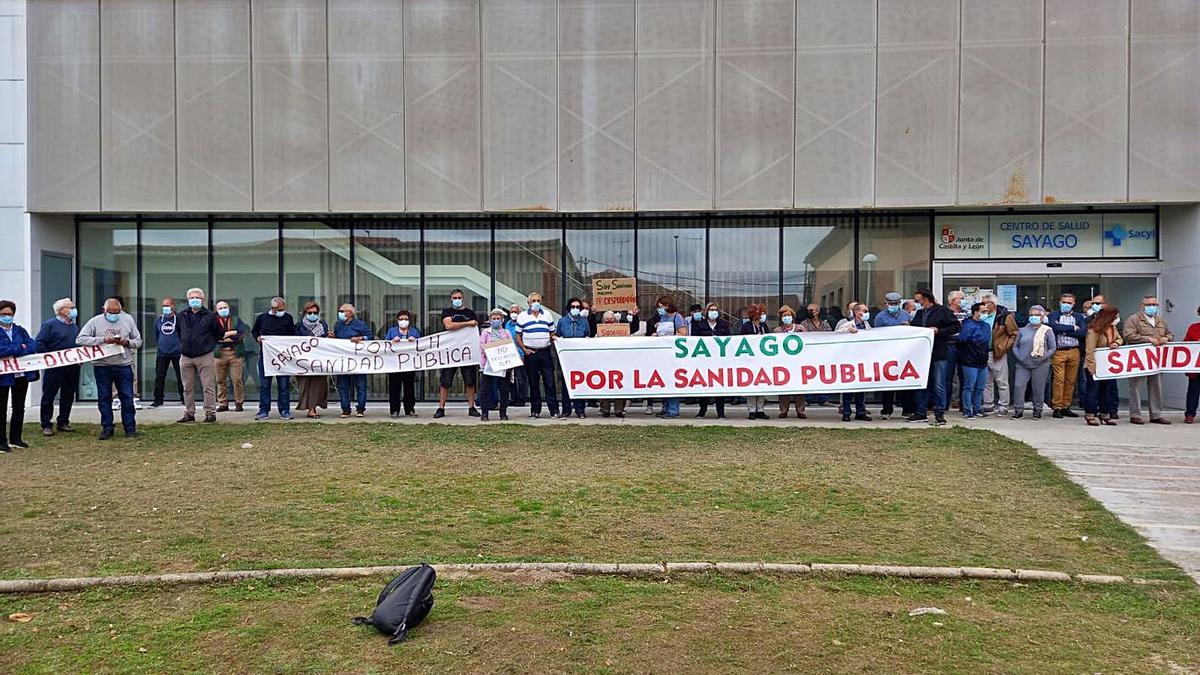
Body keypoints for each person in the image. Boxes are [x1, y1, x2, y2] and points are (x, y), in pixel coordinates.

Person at [76, 297, 142, 439]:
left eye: (117, 312)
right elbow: (80, 339)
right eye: (111, 312)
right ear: (104, 310)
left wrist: (127, 342)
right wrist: (102, 340)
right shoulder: (95, 322)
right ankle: (107, 427)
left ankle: (130, 428)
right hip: (102, 366)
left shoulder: (128, 320)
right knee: (104, 398)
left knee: (127, 397)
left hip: (123, 365)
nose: (114, 315)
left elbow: (138, 341)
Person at [909, 289, 960, 425]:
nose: (918, 303)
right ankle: (920, 412)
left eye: (919, 300)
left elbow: (956, 326)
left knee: (939, 384)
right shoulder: (920, 313)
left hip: (938, 352)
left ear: (926, 299)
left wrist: (939, 331)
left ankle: (939, 413)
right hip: (923, 354)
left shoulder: (942, 311)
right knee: (922, 383)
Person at [1123, 295, 1172, 425]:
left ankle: (1156, 414)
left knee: (1156, 386)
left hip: (1156, 360)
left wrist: (1166, 338)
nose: (1152, 307)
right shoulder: (1134, 319)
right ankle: (1135, 415)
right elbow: (1128, 335)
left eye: (1154, 305)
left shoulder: (1160, 320)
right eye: (1149, 304)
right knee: (1135, 387)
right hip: (1138, 359)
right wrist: (1148, 339)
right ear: (1142, 306)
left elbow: (1170, 333)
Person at [177, 287, 225, 424]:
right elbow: (178, 332)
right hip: (186, 355)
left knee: (208, 386)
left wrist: (208, 344)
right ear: (188, 300)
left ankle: (210, 413)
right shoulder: (182, 315)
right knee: (187, 386)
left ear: (202, 300)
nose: (194, 300)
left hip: (205, 355)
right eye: (192, 298)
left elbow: (219, 333)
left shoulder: (210, 316)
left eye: (197, 298)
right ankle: (189, 413)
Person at [35, 297, 80, 437]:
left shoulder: (74, 326)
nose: (73, 310)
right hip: (55, 367)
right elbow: (40, 343)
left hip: (72, 366)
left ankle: (63, 421)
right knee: (49, 395)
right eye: (70, 307)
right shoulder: (50, 325)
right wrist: (49, 358)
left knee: (68, 394)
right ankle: (46, 424)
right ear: (61, 310)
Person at [435, 289, 480, 419]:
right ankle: (441, 408)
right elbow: (448, 325)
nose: (457, 299)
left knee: (470, 381)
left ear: (463, 298)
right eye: (454, 297)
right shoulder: (447, 312)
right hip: (451, 352)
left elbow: (475, 327)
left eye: (459, 297)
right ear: (451, 299)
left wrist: (470, 323)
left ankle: (472, 407)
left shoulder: (470, 313)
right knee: (445, 381)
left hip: (466, 353)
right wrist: (467, 323)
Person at [0, 300, 38, 451]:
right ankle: (1, 441)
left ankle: (16, 438)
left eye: (9, 314)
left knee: (19, 407)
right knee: (1, 408)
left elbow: (32, 345)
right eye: (3, 314)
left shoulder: (20, 330)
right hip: (3, 376)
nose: (7, 317)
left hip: (21, 374)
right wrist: (19, 348)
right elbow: (2, 350)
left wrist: (16, 349)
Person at [516, 292, 558, 419]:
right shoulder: (522, 316)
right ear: (528, 303)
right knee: (533, 383)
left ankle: (554, 411)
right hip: (531, 353)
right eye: (533, 301)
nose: (536, 303)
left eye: (538, 300)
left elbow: (552, 332)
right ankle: (535, 410)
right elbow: (518, 335)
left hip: (545, 352)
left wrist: (553, 339)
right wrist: (524, 349)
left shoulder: (547, 314)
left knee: (550, 382)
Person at [251, 296, 294, 421]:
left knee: (284, 385)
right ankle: (264, 410)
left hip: (282, 357)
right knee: (265, 385)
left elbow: (292, 335)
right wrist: (258, 338)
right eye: (278, 309)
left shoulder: (288, 318)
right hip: (266, 356)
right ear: (273, 308)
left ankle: (285, 410)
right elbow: (255, 331)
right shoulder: (262, 318)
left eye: (282, 309)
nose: (281, 311)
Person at [1011, 305, 1056, 420]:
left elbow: (1052, 348)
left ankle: (1037, 410)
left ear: (1042, 316)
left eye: (1036, 315)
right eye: (1031, 315)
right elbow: (1015, 346)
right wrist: (1020, 357)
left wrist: (1043, 358)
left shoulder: (1047, 330)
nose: (1033, 317)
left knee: (1038, 388)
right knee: (1019, 386)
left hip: (1040, 364)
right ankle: (1018, 410)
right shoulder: (1023, 330)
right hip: (1022, 364)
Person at [1047, 293, 1087, 418]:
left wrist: (1065, 332)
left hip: (1074, 351)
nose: (1066, 305)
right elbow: (1054, 327)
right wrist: (1072, 328)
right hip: (1059, 351)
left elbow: (1082, 332)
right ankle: (1057, 407)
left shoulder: (1078, 316)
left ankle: (1066, 406)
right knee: (1059, 380)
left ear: (1074, 304)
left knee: (1070, 381)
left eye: (1069, 302)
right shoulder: (1054, 315)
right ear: (1060, 303)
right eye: (1064, 302)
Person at [873, 292, 911, 420]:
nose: (893, 305)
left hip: (905, 353)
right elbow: (877, 335)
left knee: (906, 381)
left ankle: (907, 409)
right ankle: (887, 410)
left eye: (896, 303)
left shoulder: (906, 315)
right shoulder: (880, 317)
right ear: (886, 303)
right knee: (888, 383)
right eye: (891, 304)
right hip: (888, 353)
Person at [980, 292, 1018, 417]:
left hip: (998, 352)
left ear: (994, 304)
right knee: (986, 381)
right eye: (983, 303)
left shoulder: (1004, 316)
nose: (984, 306)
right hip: (983, 352)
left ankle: (1003, 406)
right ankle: (988, 405)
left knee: (1002, 381)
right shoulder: (981, 315)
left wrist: (1005, 347)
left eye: (987, 303)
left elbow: (1014, 333)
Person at [1083, 306, 1122, 426]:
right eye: (1114, 317)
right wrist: (1091, 366)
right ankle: (1090, 414)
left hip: (1107, 365)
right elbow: (1089, 350)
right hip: (1094, 364)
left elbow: (1120, 339)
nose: (1116, 319)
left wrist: (1115, 343)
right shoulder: (1094, 331)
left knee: (1107, 390)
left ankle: (1104, 413)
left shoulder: (1113, 328)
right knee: (1093, 390)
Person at [693, 302, 732, 419]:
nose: (713, 312)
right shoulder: (700, 324)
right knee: (703, 388)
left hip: (719, 361)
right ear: (707, 311)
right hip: (704, 361)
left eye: (715, 309)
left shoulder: (724, 324)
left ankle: (721, 413)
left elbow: (729, 340)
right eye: (711, 310)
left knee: (719, 388)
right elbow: (693, 340)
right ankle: (702, 410)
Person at [334, 303, 373, 418]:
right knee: (343, 386)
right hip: (342, 360)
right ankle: (345, 409)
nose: (340, 313)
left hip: (358, 360)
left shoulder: (360, 324)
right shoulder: (338, 325)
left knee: (360, 385)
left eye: (342, 311)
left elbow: (370, 336)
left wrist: (360, 338)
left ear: (350, 313)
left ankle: (360, 409)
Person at [835, 303, 872, 422]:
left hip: (863, 360)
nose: (866, 313)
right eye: (864, 311)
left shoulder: (868, 326)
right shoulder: (846, 325)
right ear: (857, 313)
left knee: (861, 388)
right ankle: (846, 412)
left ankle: (861, 411)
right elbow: (835, 337)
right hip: (849, 360)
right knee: (849, 388)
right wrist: (847, 332)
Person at [556, 297, 591, 419]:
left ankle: (580, 410)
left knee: (579, 383)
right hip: (566, 358)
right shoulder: (562, 321)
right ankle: (566, 410)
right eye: (573, 307)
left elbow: (587, 335)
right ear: (568, 308)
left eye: (578, 307)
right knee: (566, 384)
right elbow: (558, 335)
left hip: (580, 358)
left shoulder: (584, 322)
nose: (575, 309)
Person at [655, 296, 689, 419]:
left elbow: (683, 333)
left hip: (673, 354)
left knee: (672, 381)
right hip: (663, 354)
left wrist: (669, 338)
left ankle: (673, 409)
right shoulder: (663, 318)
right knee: (664, 381)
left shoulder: (677, 317)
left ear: (667, 305)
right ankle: (665, 407)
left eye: (661, 306)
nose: (659, 309)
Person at [957, 303, 992, 419]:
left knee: (980, 387)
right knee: (969, 386)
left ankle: (977, 408)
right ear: (976, 312)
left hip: (982, 361)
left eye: (986, 311)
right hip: (969, 360)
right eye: (983, 311)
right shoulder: (968, 326)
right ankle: (967, 409)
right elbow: (961, 342)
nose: (985, 313)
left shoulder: (986, 326)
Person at [212, 300, 248, 413]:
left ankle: (239, 402)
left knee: (237, 379)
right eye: (220, 308)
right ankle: (223, 403)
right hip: (219, 353)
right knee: (220, 380)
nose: (223, 310)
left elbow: (242, 333)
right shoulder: (213, 321)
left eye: (225, 307)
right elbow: (212, 335)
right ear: (216, 310)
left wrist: (228, 336)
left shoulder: (236, 319)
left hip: (235, 353)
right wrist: (231, 332)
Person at [295, 302, 330, 419]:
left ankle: (312, 409)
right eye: (310, 313)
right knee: (305, 384)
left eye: (315, 313)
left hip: (319, 360)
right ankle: (307, 406)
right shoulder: (299, 326)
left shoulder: (323, 325)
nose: (313, 314)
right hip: (303, 360)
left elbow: (326, 340)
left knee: (317, 384)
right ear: (305, 313)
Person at [384, 309, 421, 418]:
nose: (403, 321)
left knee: (409, 387)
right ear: (397, 320)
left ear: (409, 320)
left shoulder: (414, 331)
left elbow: (421, 345)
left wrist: (415, 341)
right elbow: (385, 345)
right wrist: (392, 342)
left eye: (406, 319)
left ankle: (410, 409)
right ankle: (394, 410)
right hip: (394, 365)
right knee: (394, 388)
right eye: (401, 319)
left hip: (409, 364)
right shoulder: (392, 331)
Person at [478, 308, 513, 422]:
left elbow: (510, 346)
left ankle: (503, 412)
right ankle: (484, 413)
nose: (496, 321)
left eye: (498, 319)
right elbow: (482, 345)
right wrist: (490, 351)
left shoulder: (506, 333)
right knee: (485, 390)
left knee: (504, 389)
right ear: (490, 320)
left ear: (502, 320)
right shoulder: (485, 332)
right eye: (494, 319)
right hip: (487, 365)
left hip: (502, 365)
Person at [150, 297, 183, 408]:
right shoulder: (159, 320)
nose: (165, 308)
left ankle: (184, 398)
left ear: (173, 306)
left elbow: (182, 334)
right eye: (164, 306)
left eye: (167, 305)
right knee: (159, 377)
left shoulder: (179, 319)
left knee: (181, 377)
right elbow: (156, 334)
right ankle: (158, 400)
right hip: (162, 353)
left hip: (177, 352)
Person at [740, 302, 770, 420]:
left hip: (762, 359)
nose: (762, 315)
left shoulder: (764, 326)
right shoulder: (746, 326)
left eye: (763, 313)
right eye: (760, 313)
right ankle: (752, 410)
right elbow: (742, 340)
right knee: (752, 384)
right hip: (750, 360)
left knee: (761, 385)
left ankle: (760, 409)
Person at [597, 311, 628, 418]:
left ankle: (619, 410)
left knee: (619, 386)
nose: (609, 321)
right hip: (603, 363)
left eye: (612, 319)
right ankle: (605, 409)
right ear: (603, 321)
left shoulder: (621, 331)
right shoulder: (598, 333)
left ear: (615, 320)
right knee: (604, 385)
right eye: (607, 319)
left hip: (619, 363)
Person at [944, 290, 968, 411]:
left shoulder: (966, 313)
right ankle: (944, 404)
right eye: (961, 298)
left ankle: (964, 405)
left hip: (964, 346)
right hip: (950, 345)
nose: (963, 301)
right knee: (947, 375)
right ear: (953, 301)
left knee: (964, 375)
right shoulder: (945, 313)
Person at [506, 303, 529, 406]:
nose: (513, 314)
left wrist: (523, 353)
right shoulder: (507, 324)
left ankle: (522, 399)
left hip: (520, 354)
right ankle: (513, 397)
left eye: (516, 312)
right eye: (512, 312)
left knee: (521, 378)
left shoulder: (522, 325)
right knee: (511, 378)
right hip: (510, 354)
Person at [1185, 306, 1200, 424]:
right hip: (1195, 366)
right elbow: (1184, 346)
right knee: (1193, 390)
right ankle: (1190, 414)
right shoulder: (1193, 328)